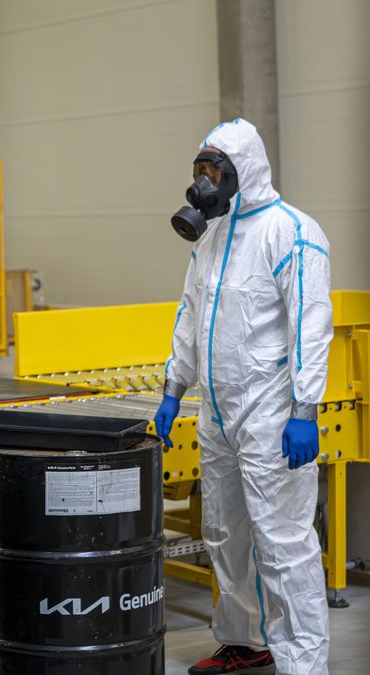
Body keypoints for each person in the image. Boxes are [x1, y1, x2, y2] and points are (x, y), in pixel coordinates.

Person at [156, 118, 332, 675]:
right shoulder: (211, 238)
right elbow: (191, 315)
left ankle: (304, 663)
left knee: (283, 543)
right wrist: (173, 386)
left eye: (215, 171)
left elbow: (311, 325)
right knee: (224, 533)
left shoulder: (292, 233)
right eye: (200, 170)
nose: (204, 182)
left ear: (244, 171)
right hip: (217, 411)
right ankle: (244, 640)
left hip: (271, 413)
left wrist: (305, 409)